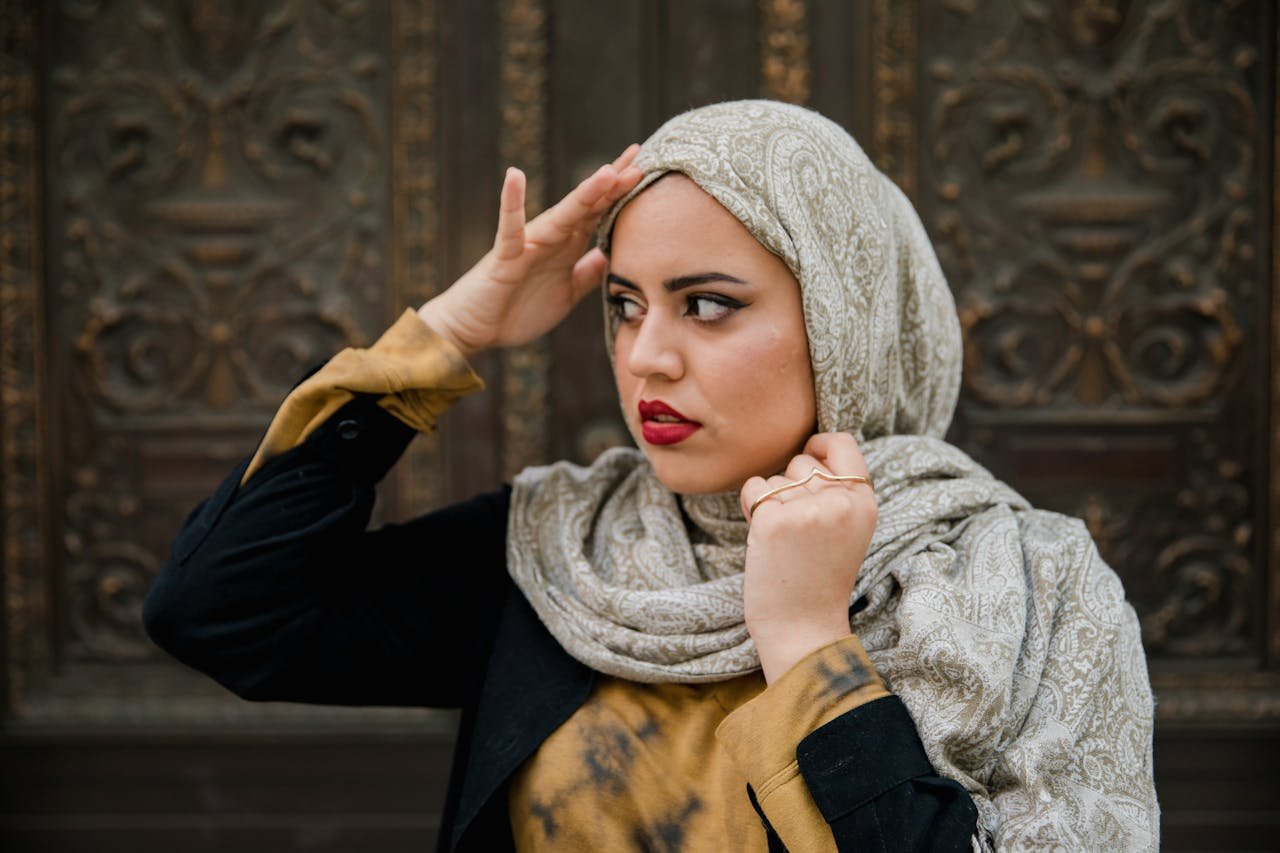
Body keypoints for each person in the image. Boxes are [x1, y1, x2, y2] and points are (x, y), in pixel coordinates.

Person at [144, 100, 1159, 851]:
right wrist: (450, 332)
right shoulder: (567, 553)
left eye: (707, 304)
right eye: (624, 303)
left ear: (842, 322)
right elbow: (221, 610)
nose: (644, 357)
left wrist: (808, 642)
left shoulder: (1031, 582)